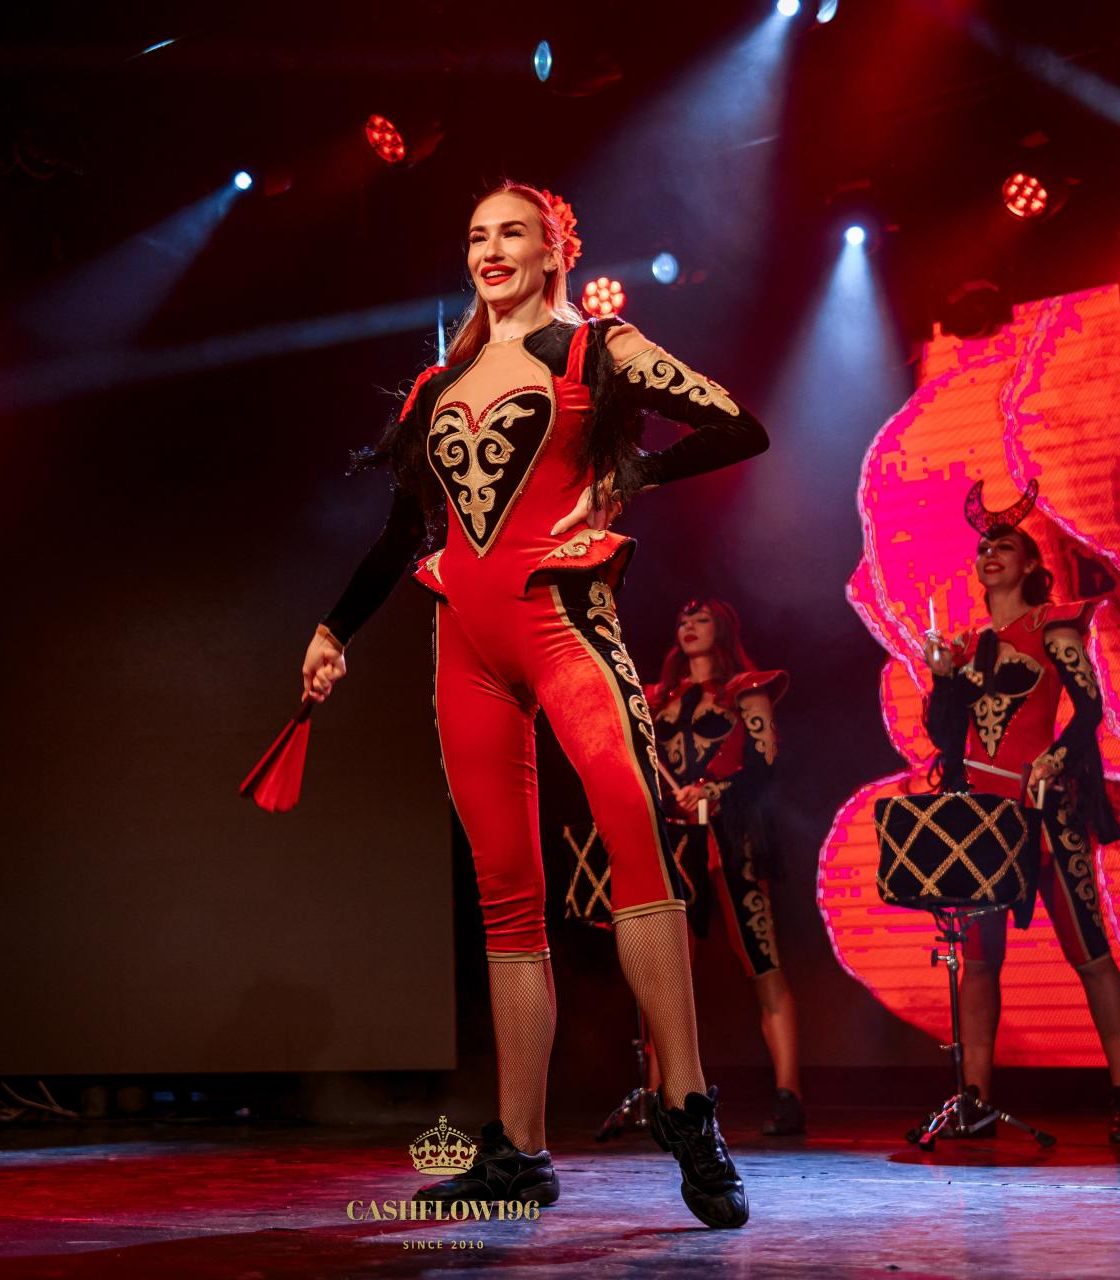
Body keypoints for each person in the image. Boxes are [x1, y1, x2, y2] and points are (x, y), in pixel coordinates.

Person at [300, 181, 768, 1227]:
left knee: (637, 850)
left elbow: (739, 426)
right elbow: (402, 532)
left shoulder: (598, 350)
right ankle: (519, 1152)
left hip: (567, 631)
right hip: (462, 651)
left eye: (513, 231)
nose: (491, 249)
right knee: (507, 900)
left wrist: (634, 476)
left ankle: (688, 1108)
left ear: (557, 249)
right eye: (477, 235)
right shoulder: (436, 386)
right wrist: (334, 628)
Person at [922, 481, 1120, 1143]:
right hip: (981, 820)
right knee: (979, 961)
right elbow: (945, 736)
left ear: (1029, 565)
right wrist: (941, 677)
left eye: (1004, 546)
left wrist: (1057, 757)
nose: (989, 554)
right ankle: (975, 1100)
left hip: (1045, 808)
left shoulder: (1054, 625)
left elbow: (1092, 707)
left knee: (1090, 952)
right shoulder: (965, 647)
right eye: (983, 548)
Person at [644, 598, 803, 1134]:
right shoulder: (657, 700)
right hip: (677, 842)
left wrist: (712, 789)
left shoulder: (746, 691)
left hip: (734, 836)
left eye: (701, 619)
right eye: (682, 619)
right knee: (667, 969)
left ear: (724, 629)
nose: (688, 626)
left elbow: (764, 766)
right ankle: (660, 1097)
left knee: (761, 956)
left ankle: (789, 1093)